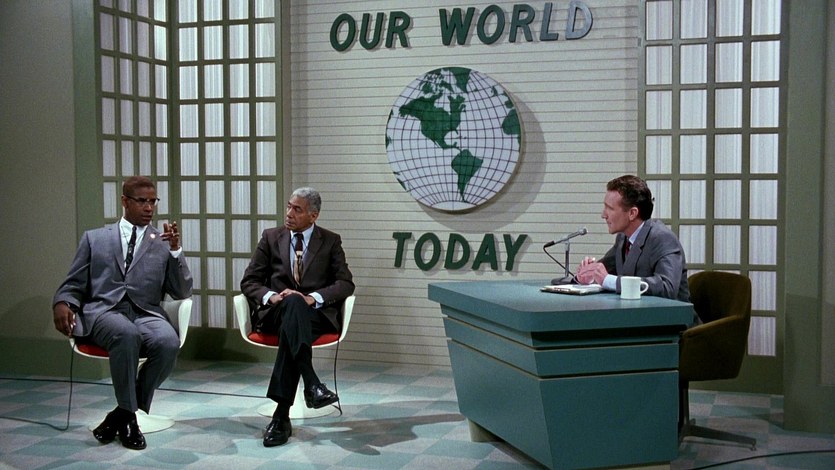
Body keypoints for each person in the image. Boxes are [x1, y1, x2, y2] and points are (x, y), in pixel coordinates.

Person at [52, 176, 192, 450]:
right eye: (142, 201)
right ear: (125, 201)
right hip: (104, 311)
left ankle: (122, 413)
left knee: (168, 342)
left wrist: (176, 251)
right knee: (126, 334)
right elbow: (73, 283)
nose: (149, 207)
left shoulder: (163, 242)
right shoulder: (95, 238)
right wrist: (62, 302)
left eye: (153, 201)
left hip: (146, 313)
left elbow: (181, 291)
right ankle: (129, 420)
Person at [240, 187, 354, 447]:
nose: (289, 213)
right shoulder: (271, 237)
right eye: (289, 206)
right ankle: (311, 383)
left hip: (314, 316)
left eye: (297, 209)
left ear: (314, 215)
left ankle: (281, 417)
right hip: (276, 313)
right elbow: (249, 281)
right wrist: (273, 297)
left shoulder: (330, 241)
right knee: (292, 303)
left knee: (295, 316)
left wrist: (312, 298)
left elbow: (345, 283)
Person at [575, 174, 690, 302]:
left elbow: (667, 287)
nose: (603, 215)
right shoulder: (623, 238)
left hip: (669, 314)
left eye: (610, 208)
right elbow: (603, 270)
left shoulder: (662, 238)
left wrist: (609, 281)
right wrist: (588, 275)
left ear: (632, 213)